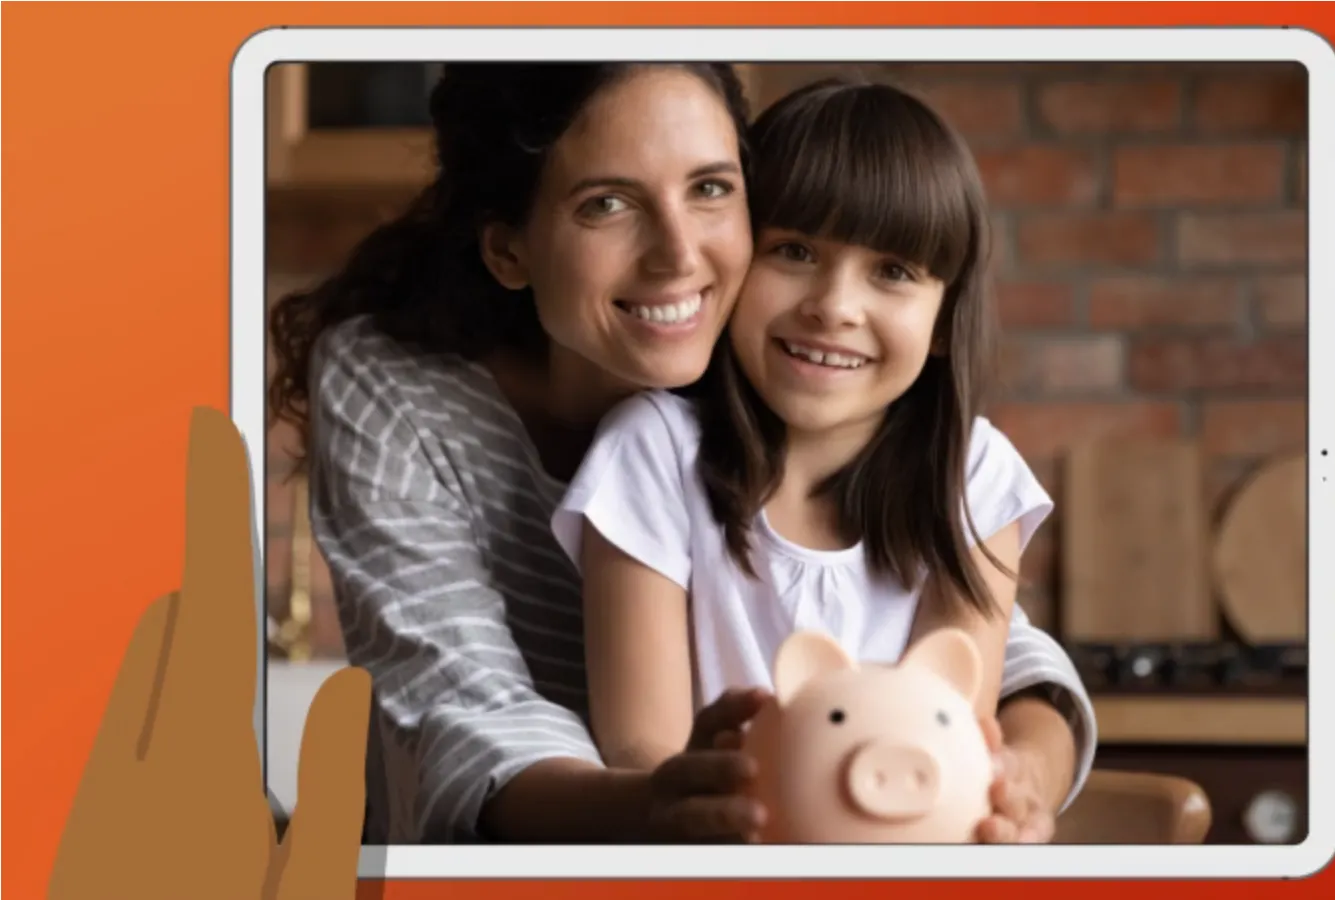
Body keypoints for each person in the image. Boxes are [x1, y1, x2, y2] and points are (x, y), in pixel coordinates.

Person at [267, 61, 1095, 846]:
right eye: (605, 205)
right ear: (509, 247)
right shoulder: (413, 392)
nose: (679, 256)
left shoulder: (792, 390)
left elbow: (943, 636)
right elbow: (462, 709)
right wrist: (668, 804)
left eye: (709, 189)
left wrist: (1020, 760)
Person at [553, 77, 1060, 798]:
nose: (834, 307)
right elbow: (643, 747)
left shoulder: (974, 477)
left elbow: (947, 734)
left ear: (945, 321)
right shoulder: (652, 455)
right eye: (794, 252)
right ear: (731, 266)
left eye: (892, 272)